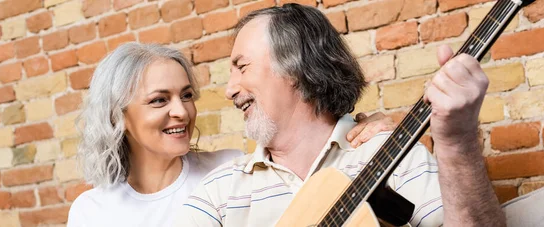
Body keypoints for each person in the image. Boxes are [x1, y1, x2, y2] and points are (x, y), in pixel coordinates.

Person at [178, 3, 505, 227]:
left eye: (242, 67)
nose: (229, 89)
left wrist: (457, 139)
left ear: (294, 67)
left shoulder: (391, 154)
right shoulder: (219, 192)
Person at [66, 43, 393, 226]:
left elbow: (312, 206)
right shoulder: (92, 211)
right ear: (117, 116)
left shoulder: (231, 171)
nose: (181, 111)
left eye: (187, 95)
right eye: (159, 100)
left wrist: (354, 129)